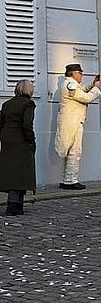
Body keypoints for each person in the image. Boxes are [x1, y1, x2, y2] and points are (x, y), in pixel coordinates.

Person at [54, 63, 101, 190]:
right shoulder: (70, 84)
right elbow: (85, 97)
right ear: (73, 73)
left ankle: (69, 179)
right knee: (74, 152)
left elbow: (82, 89)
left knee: (73, 152)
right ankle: (70, 180)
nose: (81, 75)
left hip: (73, 121)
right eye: (80, 73)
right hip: (72, 122)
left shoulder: (72, 84)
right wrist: (96, 89)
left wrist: (92, 84)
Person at [0, 80, 36, 216]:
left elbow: (1, 122)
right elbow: (27, 124)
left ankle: (17, 204)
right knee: (20, 172)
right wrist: (31, 140)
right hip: (20, 138)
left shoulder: (7, 104)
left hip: (7, 138)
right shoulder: (28, 104)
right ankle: (14, 205)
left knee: (11, 170)